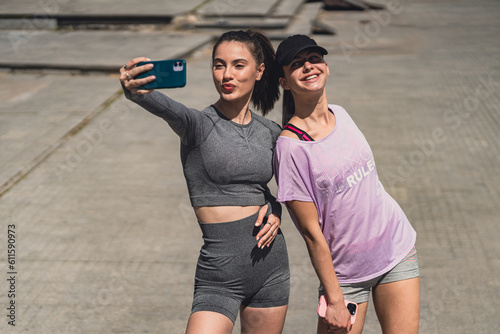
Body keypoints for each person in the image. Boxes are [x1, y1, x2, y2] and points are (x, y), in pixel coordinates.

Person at [119, 30, 290, 334]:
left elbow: (289, 190)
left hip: (271, 270)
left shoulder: (271, 131)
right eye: (218, 65)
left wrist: (275, 209)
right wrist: (134, 88)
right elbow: (159, 104)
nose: (226, 74)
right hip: (218, 277)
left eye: (238, 65)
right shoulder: (196, 125)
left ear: (259, 70)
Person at [272, 34, 420, 334]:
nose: (309, 67)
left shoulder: (342, 113)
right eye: (297, 64)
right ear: (284, 82)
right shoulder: (290, 149)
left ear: (326, 66)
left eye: (315, 59)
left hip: (395, 249)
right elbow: (311, 233)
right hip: (345, 278)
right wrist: (335, 299)